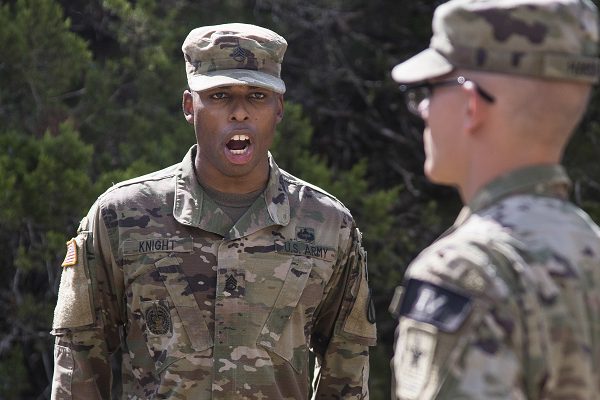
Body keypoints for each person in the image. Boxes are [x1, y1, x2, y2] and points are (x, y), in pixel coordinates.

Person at [50, 23, 376, 399]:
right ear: (190, 107)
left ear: (279, 108)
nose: (240, 113)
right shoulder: (121, 216)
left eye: (257, 96)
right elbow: (79, 361)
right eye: (220, 96)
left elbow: (347, 369)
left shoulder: (327, 225)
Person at [388, 0, 600, 399]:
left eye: (429, 89)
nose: (424, 110)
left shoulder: (465, 273)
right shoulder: (587, 245)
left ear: (471, 106)